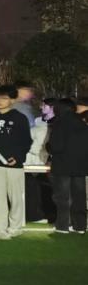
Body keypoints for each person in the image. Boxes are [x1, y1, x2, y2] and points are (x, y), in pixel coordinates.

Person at [0, 85, 33, 241]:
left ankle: (15, 228)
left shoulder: (19, 118)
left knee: (15, 199)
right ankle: (0, 229)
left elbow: (26, 141)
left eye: (4, 98)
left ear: (13, 100)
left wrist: (17, 157)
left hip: (14, 165)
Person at [45, 99, 88, 234]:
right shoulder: (82, 123)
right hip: (80, 166)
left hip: (62, 165)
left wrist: (48, 147)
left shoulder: (59, 123)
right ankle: (80, 226)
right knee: (79, 197)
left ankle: (62, 225)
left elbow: (56, 146)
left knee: (62, 197)